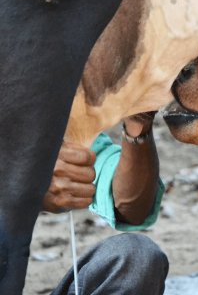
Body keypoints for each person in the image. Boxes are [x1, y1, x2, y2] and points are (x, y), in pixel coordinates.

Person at [42, 112, 168, 295]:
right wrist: (26, 189)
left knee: (135, 257)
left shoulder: (38, 111)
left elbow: (131, 209)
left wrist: (138, 123)